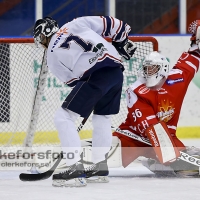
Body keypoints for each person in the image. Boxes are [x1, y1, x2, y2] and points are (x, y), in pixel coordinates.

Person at [33, 16, 136, 187]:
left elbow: (74, 82)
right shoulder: (75, 23)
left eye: (42, 38)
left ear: (45, 33)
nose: (43, 43)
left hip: (95, 76)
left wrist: (91, 94)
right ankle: (99, 167)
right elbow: (114, 24)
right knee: (102, 117)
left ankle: (74, 169)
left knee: (63, 117)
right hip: (116, 72)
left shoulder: (51, 56)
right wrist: (122, 41)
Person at [113, 20, 200, 177]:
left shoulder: (177, 79)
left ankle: (159, 161)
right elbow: (154, 129)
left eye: (152, 68)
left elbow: (194, 55)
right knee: (104, 154)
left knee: (189, 169)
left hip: (166, 138)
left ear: (163, 70)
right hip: (134, 139)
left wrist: (196, 39)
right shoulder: (136, 90)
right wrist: (171, 157)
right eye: (146, 68)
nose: (148, 73)